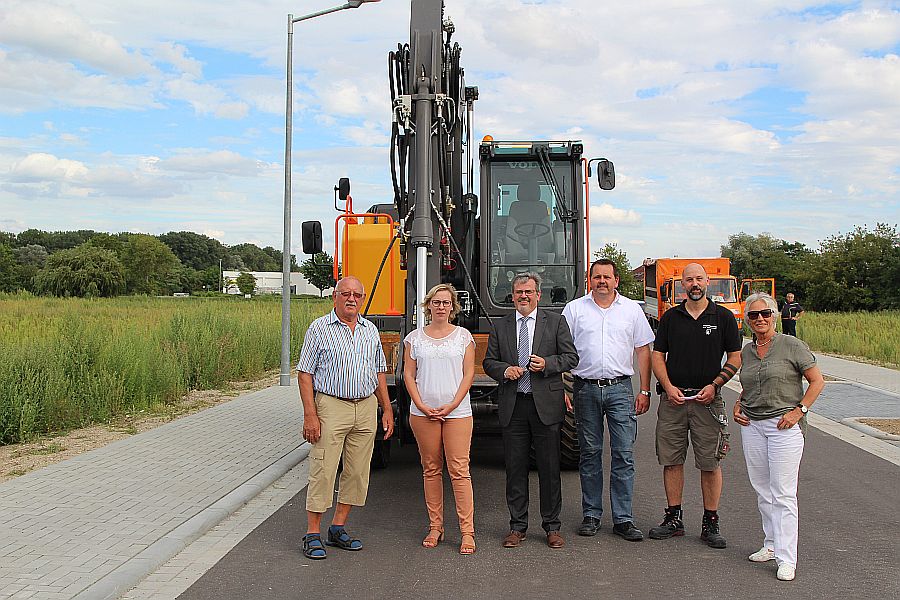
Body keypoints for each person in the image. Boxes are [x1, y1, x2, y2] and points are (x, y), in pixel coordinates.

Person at [296, 276, 394, 560]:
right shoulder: (319, 329)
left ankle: (337, 528)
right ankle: (312, 533)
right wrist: (310, 415)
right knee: (324, 469)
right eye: (346, 294)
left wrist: (386, 408)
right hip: (331, 406)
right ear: (335, 297)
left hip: (365, 407)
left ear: (363, 299)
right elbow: (305, 374)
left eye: (357, 295)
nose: (352, 299)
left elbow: (379, 373)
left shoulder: (369, 330)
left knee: (357, 472)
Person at [483, 272, 579, 549]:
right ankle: (517, 526)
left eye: (528, 292)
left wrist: (547, 364)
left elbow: (571, 357)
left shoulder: (556, 323)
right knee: (515, 469)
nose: (523, 296)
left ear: (538, 295)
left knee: (550, 469)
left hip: (545, 407)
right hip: (514, 406)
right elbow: (489, 362)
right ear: (512, 296)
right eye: (518, 292)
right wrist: (505, 370)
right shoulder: (500, 326)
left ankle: (552, 526)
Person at [649, 263, 742, 548]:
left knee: (710, 462)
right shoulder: (671, 318)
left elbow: (735, 358)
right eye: (689, 280)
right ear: (682, 284)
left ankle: (710, 522)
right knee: (672, 460)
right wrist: (667, 387)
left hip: (708, 402)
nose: (694, 284)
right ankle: (673, 518)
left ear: (708, 282)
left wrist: (715, 385)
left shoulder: (723, 317)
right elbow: (657, 356)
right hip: (674, 400)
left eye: (699, 278)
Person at [562, 259, 654, 542]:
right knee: (589, 453)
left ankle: (623, 519)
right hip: (584, 389)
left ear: (616, 281)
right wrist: (564, 389)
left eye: (607, 277)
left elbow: (643, 351)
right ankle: (591, 514)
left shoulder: (631, 311)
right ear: (590, 280)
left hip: (620, 390)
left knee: (623, 454)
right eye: (597, 276)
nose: (602, 281)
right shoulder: (574, 310)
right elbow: (563, 351)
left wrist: (646, 390)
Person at [735, 292, 824, 582]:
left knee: (783, 493)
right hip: (753, 425)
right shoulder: (747, 350)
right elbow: (749, 383)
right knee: (762, 488)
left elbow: (816, 381)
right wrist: (739, 403)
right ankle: (771, 545)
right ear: (747, 319)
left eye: (765, 314)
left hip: (784, 426)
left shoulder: (792, 345)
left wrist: (800, 411)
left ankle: (787, 558)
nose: (760, 319)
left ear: (775, 315)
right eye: (753, 315)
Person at [403, 283, 477, 555]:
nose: (441, 307)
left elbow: (468, 374)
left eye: (446, 302)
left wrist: (452, 404)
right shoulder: (414, 338)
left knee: (459, 471)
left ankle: (467, 531)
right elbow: (409, 375)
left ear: (453, 307)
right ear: (428, 306)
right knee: (431, 470)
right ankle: (436, 527)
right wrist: (421, 404)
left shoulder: (463, 337)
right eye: (436, 302)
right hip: (423, 414)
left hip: (457, 413)